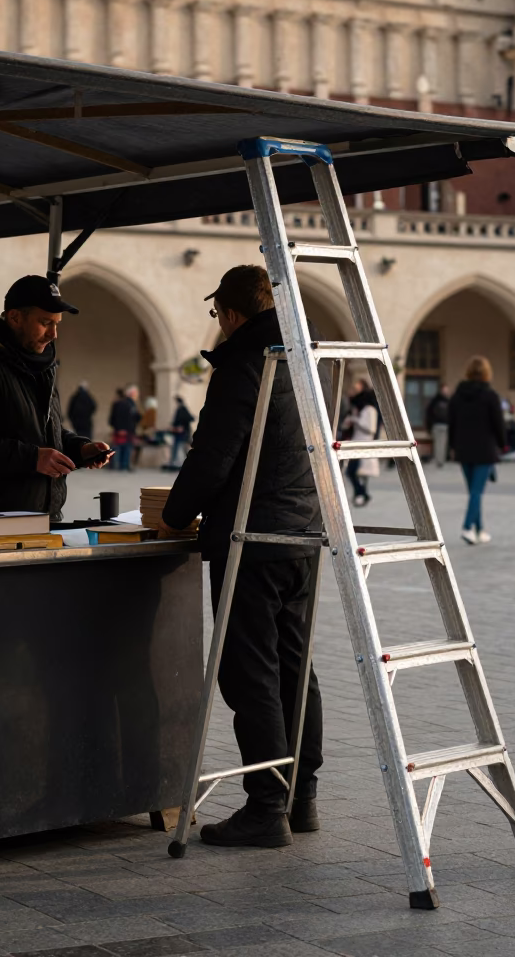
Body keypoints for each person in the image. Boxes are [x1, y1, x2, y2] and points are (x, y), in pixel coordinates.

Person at [162, 265, 323, 848]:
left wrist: (173, 516)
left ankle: (265, 806)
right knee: (294, 666)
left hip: (253, 538)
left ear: (230, 314)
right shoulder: (300, 357)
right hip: (303, 532)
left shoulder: (243, 365)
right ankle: (301, 796)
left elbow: (213, 457)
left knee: (250, 670)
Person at [0, 275, 113, 520]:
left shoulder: (43, 367)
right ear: (15, 318)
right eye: (44, 323)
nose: (53, 334)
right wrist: (33, 458)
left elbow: (41, 431)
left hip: (44, 520)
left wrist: (79, 449)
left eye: (57, 324)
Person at [448, 355, 506, 545]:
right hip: (484, 449)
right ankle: (467, 527)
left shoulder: (457, 395)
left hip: (463, 448)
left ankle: (480, 530)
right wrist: (503, 443)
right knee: (477, 491)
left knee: (474, 491)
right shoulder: (490, 395)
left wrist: (452, 446)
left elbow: (452, 422)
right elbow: (498, 423)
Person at [344, 381, 380, 506]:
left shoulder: (370, 410)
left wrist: (355, 420)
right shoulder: (359, 410)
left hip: (363, 444)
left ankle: (362, 494)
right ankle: (361, 494)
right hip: (356, 443)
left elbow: (371, 428)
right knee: (354, 472)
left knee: (356, 472)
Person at [109, 386, 140, 472]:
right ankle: (121, 465)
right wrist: (121, 428)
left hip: (125, 429)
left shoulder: (124, 403)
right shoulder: (127, 404)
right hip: (126, 430)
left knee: (123, 447)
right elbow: (122, 417)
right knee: (123, 448)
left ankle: (120, 465)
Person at [164, 395, 195, 470]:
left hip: (182, 433)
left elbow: (189, 418)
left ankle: (178, 462)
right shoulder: (180, 409)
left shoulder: (182, 409)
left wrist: (181, 427)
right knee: (179, 448)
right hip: (179, 433)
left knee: (180, 448)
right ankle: (176, 462)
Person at [425, 385, 451, 468]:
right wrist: (429, 426)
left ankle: (441, 460)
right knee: (438, 443)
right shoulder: (435, 401)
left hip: (445, 425)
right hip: (436, 425)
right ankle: (438, 460)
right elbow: (429, 414)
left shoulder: (448, 401)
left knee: (443, 444)